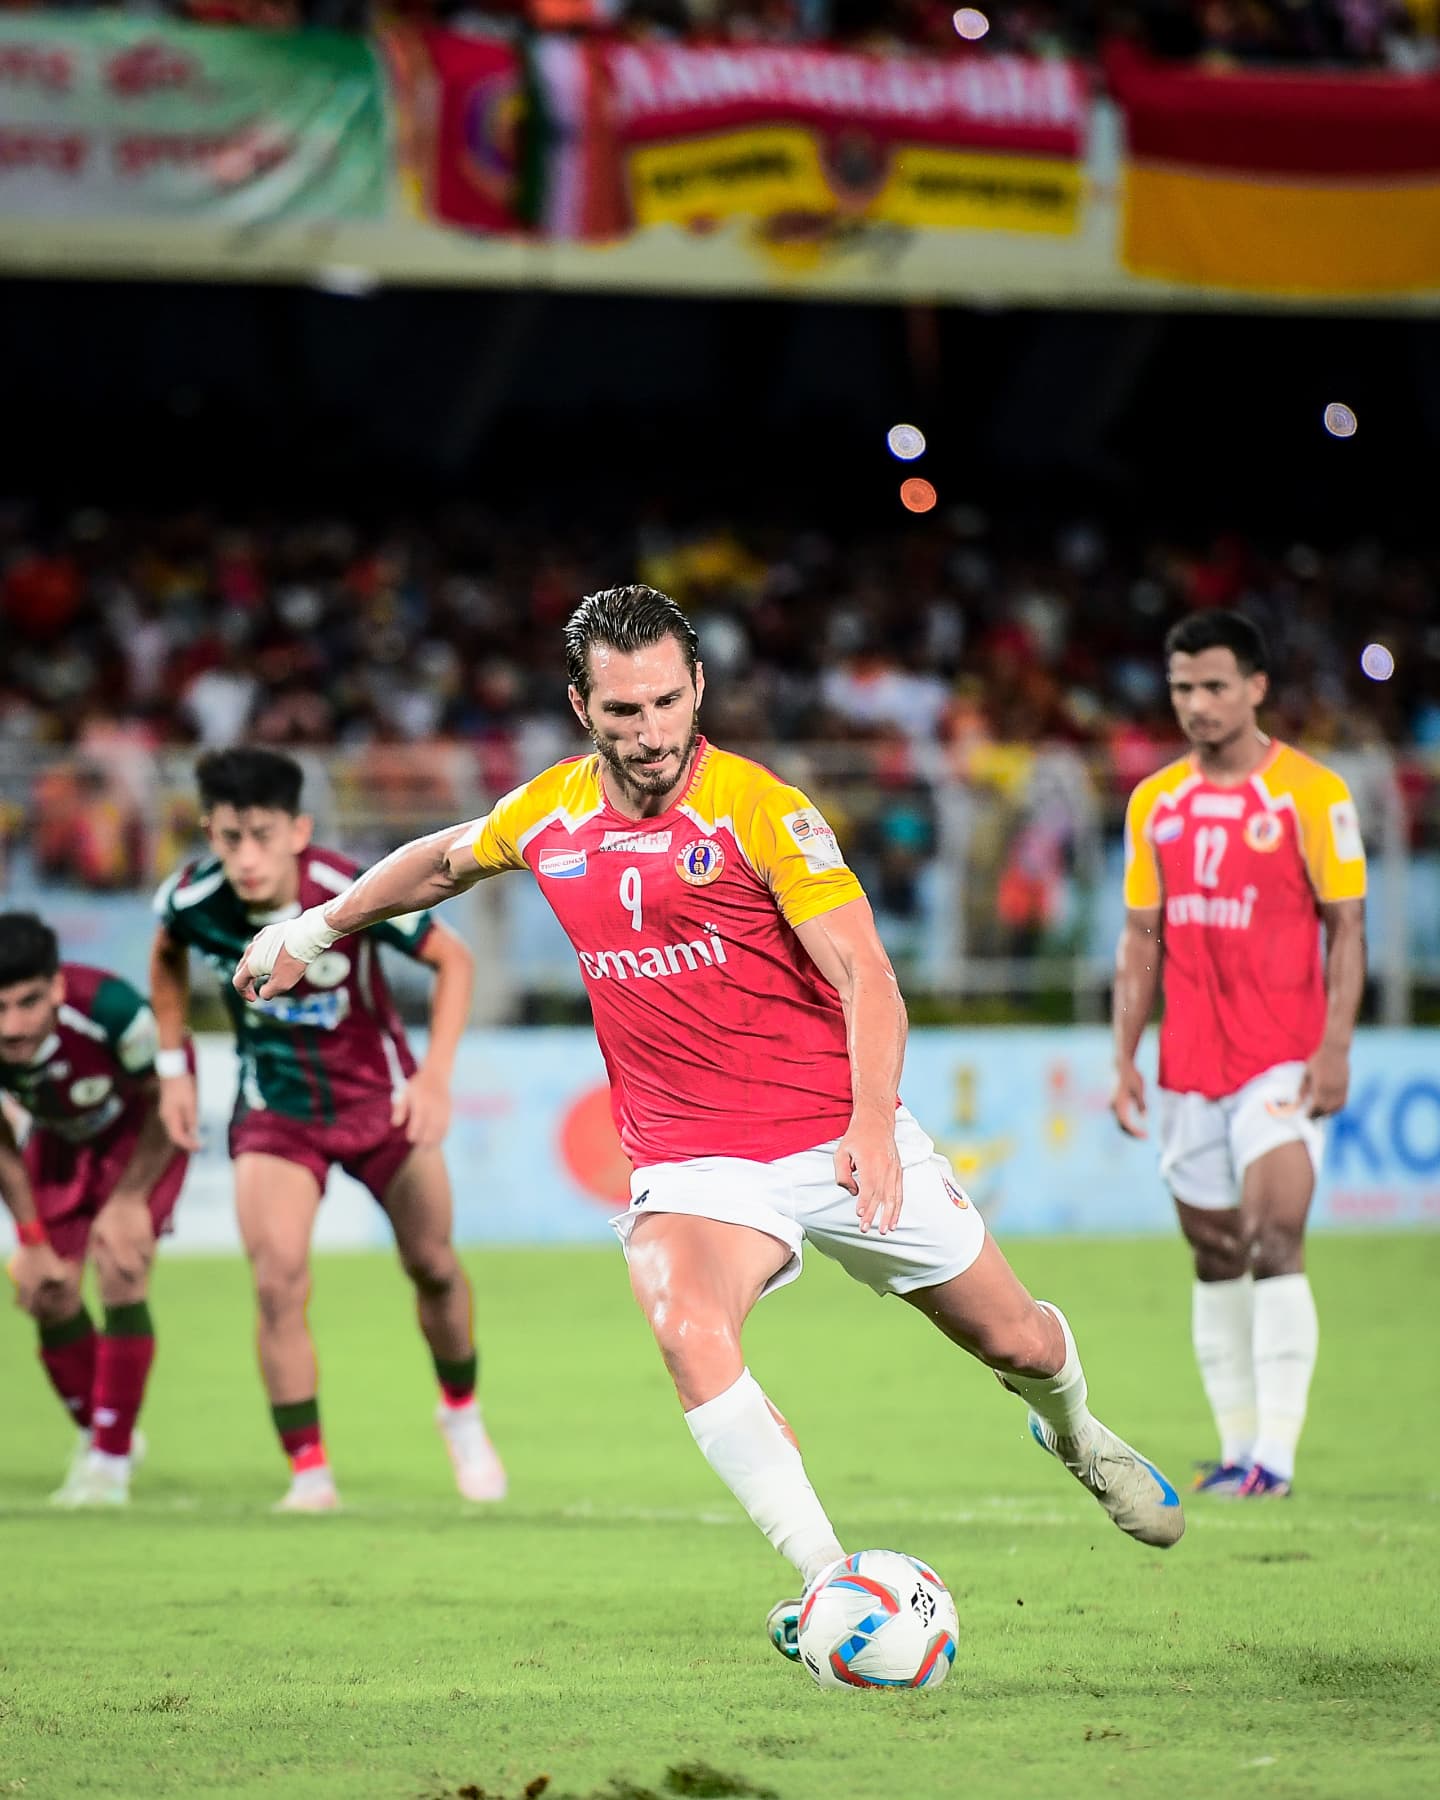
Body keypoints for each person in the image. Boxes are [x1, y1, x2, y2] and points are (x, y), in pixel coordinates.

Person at [233, 585, 1184, 1653]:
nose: (650, 733)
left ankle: (1075, 1432)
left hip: (837, 1132)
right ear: (581, 707)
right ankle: (831, 1586)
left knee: (1017, 1339)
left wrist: (873, 1124)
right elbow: (442, 863)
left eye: (666, 703)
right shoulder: (550, 813)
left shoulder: (759, 809)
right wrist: (312, 931)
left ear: (697, 688)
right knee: (685, 1325)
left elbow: (867, 975)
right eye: (622, 710)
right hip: (694, 1165)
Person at [150, 748, 505, 1513]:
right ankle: (309, 1474)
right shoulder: (190, 900)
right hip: (277, 1115)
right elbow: (167, 958)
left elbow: (455, 960)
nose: (247, 857)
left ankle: (461, 1411)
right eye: (230, 838)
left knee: (434, 1266)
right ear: (210, 835)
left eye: (262, 836)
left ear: (298, 831)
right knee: (276, 1284)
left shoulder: (353, 891)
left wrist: (436, 1077)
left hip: (383, 1105)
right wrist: (173, 1069)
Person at [1112, 611, 1367, 1500]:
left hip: (1282, 1058)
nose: (1198, 703)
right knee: (1216, 1249)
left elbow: (1347, 926)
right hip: (1189, 1063)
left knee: (1274, 1236)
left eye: (1215, 685)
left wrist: (1335, 1047)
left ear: (1256, 687)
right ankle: (1236, 1450)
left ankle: (1277, 1460)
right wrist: (1124, 1056)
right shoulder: (1155, 802)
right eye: (1183, 687)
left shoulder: (1312, 794)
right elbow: (1141, 936)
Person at [0, 912, 188, 1507]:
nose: (11, 1027)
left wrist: (129, 1199)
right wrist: (30, 1239)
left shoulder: (114, 1011)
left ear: (57, 987)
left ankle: (109, 1464)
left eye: (28, 1003)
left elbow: (167, 1098)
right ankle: (102, 1434)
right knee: (44, 1290)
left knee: (119, 1262)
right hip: (59, 1136)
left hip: (144, 1131)